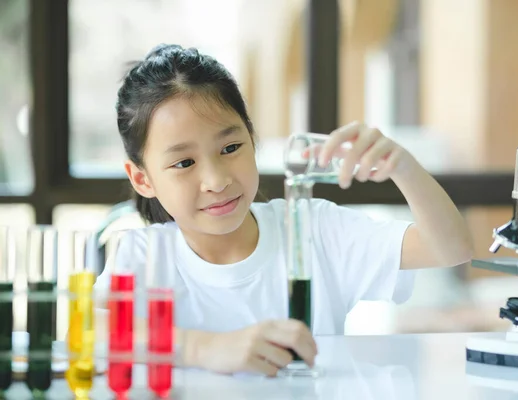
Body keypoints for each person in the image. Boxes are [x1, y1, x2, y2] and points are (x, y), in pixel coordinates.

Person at [93, 44, 473, 377]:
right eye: (184, 164)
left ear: (252, 138)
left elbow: (450, 248)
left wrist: (403, 167)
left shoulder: (312, 229)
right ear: (143, 179)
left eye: (230, 148)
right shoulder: (144, 255)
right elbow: (95, 330)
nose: (217, 180)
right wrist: (204, 348)